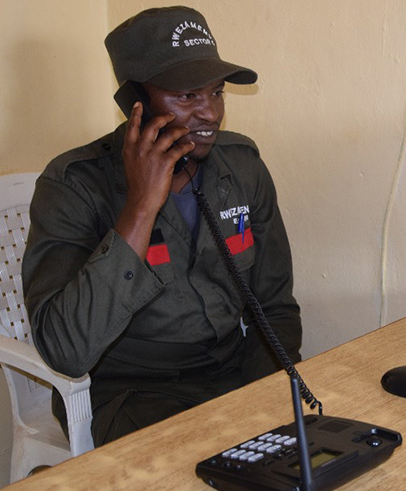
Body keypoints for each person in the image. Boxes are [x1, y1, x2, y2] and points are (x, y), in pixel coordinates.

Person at [22, 6, 302, 446]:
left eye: (216, 92)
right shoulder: (74, 185)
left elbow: (275, 308)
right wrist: (140, 206)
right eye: (187, 96)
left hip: (231, 376)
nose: (210, 113)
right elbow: (66, 350)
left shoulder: (242, 167)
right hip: (130, 393)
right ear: (135, 102)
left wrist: (266, 399)